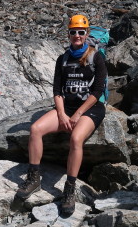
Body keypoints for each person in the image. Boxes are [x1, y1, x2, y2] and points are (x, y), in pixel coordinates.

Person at [15, 14, 107, 216]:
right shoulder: (62, 59)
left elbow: (98, 91)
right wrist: (63, 114)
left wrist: (78, 114)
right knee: (35, 129)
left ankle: (69, 189)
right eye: (73, 32)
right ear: (68, 34)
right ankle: (34, 178)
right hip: (67, 108)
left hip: (91, 108)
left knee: (75, 138)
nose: (77, 35)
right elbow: (57, 91)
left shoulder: (96, 58)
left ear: (86, 34)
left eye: (81, 32)